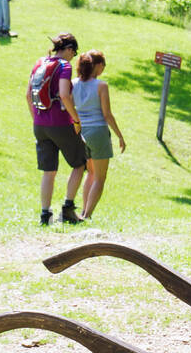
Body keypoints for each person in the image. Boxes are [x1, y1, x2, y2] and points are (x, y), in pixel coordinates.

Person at [26, 33, 87, 226]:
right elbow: (63, 94)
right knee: (80, 163)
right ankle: (68, 209)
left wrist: (36, 118)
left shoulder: (40, 63)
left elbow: (28, 95)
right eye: (74, 52)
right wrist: (75, 120)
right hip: (60, 123)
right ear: (69, 49)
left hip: (40, 125)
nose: (73, 56)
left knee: (48, 170)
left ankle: (45, 214)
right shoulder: (64, 66)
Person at [73, 50, 126, 221]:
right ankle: (87, 215)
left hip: (80, 132)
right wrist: (120, 135)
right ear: (98, 66)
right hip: (98, 132)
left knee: (90, 173)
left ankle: (82, 212)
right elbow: (107, 115)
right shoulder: (101, 86)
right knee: (100, 178)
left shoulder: (73, 84)